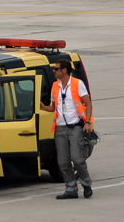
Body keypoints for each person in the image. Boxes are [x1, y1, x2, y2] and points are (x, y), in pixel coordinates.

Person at [40, 60, 94, 199]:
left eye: (56, 69)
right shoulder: (55, 86)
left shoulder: (77, 84)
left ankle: (86, 183)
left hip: (75, 127)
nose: (54, 71)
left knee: (77, 159)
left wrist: (87, 122)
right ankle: (71, 189)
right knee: (62, 162)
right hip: (60, 128)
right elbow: (54, 107)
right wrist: (44, 108)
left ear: (64, 70)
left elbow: (88, 103)